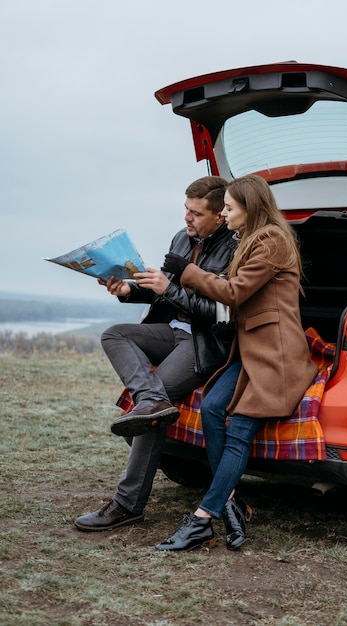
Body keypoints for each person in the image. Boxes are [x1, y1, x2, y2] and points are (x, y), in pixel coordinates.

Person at [156, 174, 318, 551]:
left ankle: (202, 519)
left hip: (275, 356)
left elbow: (234, 292)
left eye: (229, 207)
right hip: (250, 352)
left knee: (240, 429)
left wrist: (185, 273)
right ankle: (230, 504)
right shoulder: (249, 239)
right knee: (213, 407)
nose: (224, 213)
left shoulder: (273, 242)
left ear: (251, 208)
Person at [74, 176, 237, 531]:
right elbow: (162, 292)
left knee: (150, 411)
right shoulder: (182, 238)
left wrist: (169, 289)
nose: (187, 219)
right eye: (185, 209)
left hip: (204, 342)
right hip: (169, 330)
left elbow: (221, 313)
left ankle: (127, 503)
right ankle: (149, 399)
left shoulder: (235, 247)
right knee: (114, 334)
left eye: (195, 213)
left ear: (220, 216)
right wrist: (127, 290)